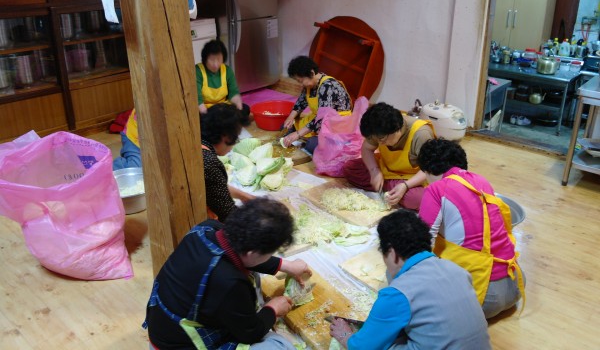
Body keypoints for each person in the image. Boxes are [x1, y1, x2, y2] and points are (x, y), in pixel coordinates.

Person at [144, 197, 311, 350]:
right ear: (252, 253)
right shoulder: (230, 283)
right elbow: (250, 332)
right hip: (178, 345)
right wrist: (272, 309)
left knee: (252, 275)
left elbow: (247, 258)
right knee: (280, 345)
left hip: (164, 327)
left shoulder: (207, 228)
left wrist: (286, 265)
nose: (271, 256)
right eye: (270, 253)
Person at [329, 209, 491, 350]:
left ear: (392, 253)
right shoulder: (457, 270)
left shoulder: (397, 294)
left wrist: (345, 336)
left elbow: (363, 347)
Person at [417, 138, 525, 319]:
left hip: (484, 297)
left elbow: (422, 243)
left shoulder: (436, 189)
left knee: (402, 275)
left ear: (428, 171)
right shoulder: (482, 181)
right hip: (515, 285)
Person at [342, 102, 435, 210]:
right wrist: (374, 171)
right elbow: (367, 148)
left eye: (382, 140)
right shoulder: (378, 130)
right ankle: (390, 188)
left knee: (417, 199)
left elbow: (429, 169)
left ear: (397, 129)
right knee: (350, 168)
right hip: (386, 170)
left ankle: (389, 187)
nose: (379, 144)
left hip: (414, 178)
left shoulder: (421, 134)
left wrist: (405, 186)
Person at [281, 56, 352, 154]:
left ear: (311, 73)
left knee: (311, 145)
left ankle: (325, 142)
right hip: (319, 120)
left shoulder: (328, 86)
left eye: (301, 81)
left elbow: (322, 118)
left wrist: (297, 134)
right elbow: (300, 103)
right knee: (285, 128)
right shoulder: (310, 85)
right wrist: (290, 118)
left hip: (336, 124)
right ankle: (311, 138)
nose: (301, 85)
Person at [201, 103, 255, 221]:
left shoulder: (198, 143)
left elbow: (215, 187)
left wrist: (244, 196)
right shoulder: (210, 162)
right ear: (227, 137)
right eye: (236, 137)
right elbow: (227, 212)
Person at [196, 39, 251, 125]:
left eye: (219, 59)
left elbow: (233, 93)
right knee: (199, 118)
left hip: (223, 108)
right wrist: (207, 117)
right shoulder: (198, 71)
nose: (215, 64)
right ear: (205, 59)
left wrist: (239, 110)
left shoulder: (227, 70)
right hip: (206, 110)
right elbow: (198, 100)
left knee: (245, 108)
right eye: (212, 60)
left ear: (223, 58)